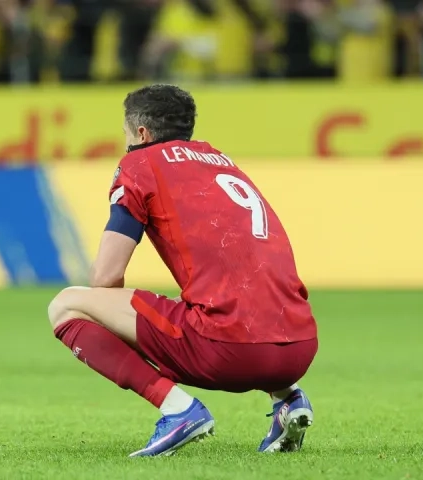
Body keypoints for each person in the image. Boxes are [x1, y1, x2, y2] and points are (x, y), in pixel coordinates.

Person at [47, 84, 319, 457]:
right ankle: (289, 400)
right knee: (234, 296)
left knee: (67, 305)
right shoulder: (221, 161)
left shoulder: (139, 164)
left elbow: (105, 279)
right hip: (299, 349)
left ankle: (178, 410)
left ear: (141, 133)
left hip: (230, 351)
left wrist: (124, 326)